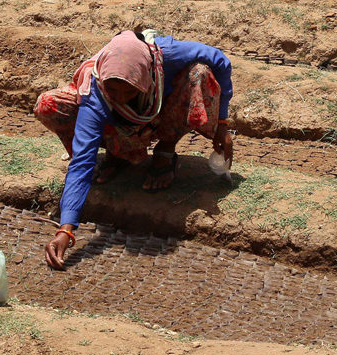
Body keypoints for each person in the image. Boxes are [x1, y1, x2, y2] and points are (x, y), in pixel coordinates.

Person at [34, 30, 235, 270]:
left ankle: (166, 152)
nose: (119, 97)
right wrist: (66, 229)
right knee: (49, 104)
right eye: (113, 90)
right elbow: (82, 161)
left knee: (200, 74)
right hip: (123, 121)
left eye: (128, 90)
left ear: (143, 77)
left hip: (162, 111)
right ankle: (119, 155)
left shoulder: (168, 55)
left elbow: (221, 61)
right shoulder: (96, 91)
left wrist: (222, 124)